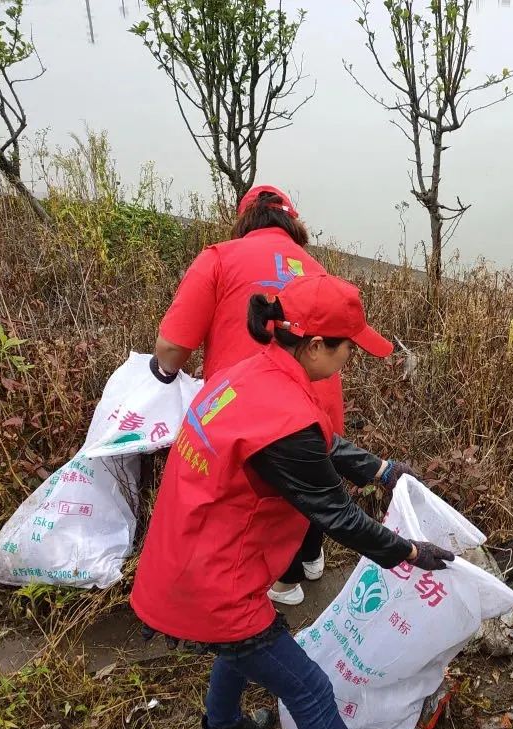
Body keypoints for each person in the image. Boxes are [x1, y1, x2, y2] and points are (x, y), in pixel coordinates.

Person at [132, 273, 450, 729]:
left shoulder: (252, 375)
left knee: (243, 639)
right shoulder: (282, 415)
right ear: (317, 345)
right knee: (308, 688)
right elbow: (338, 517)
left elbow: (317, 441)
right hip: (214, 579)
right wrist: (411, 553)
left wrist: (383, 470)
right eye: (349, 346)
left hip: (189, 553)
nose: (352, 357)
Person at [150, 184, 396, 605]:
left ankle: (277, 585)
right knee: (315, 477)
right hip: (317, 403)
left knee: (261, 501)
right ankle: (309, 557)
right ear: (292, 222)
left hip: (254, 414)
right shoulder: (316, 268)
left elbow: (171, 348)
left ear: (244, 220)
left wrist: (162, 373)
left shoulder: (218, 258)